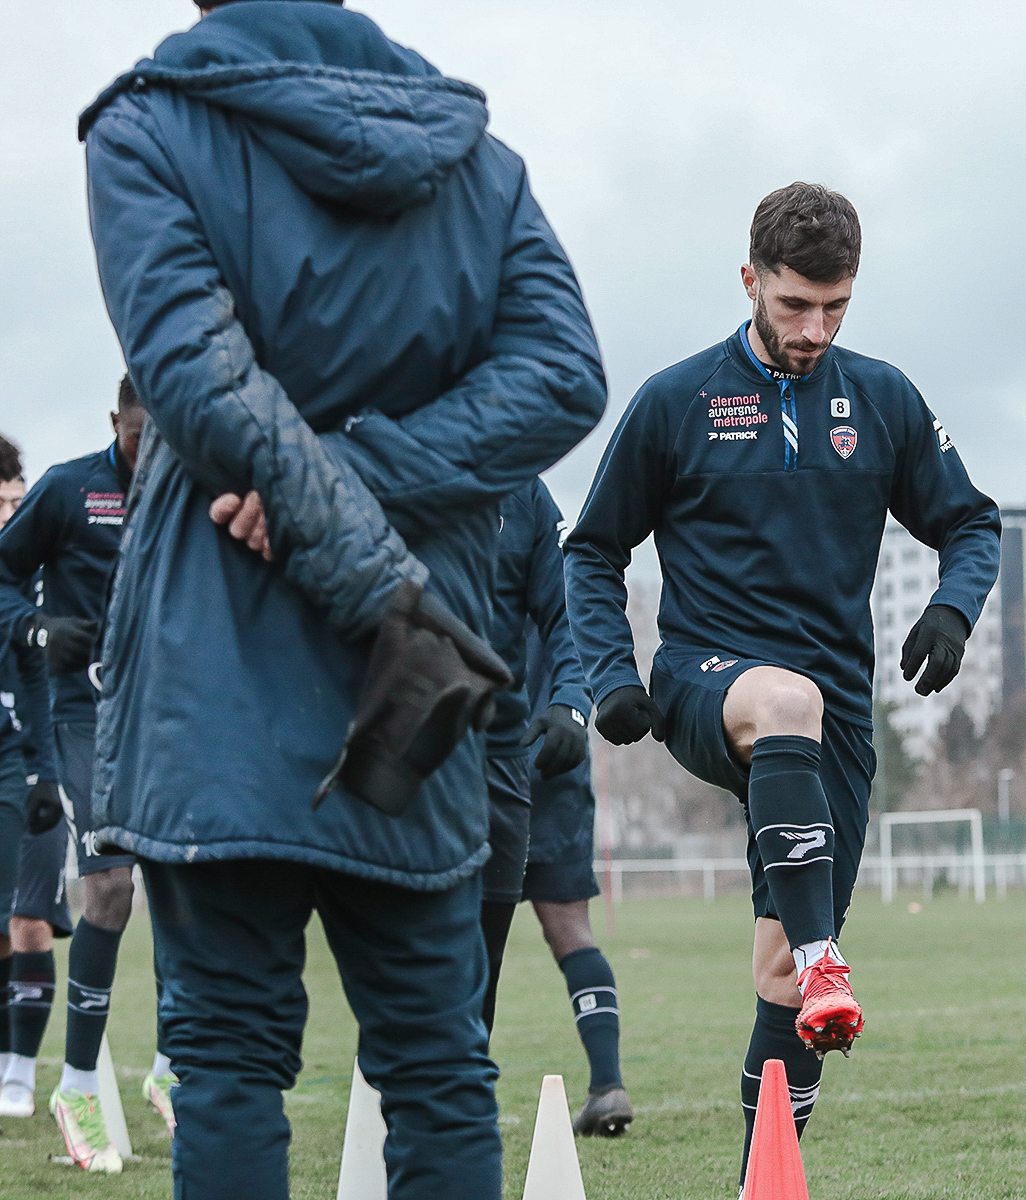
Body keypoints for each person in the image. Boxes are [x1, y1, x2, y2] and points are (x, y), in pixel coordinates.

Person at [78, 0, 605, 1196]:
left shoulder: (147, 130)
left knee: (225, 1058)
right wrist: (368, 497)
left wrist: (322, 487)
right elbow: (558, 373)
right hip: (415, 657)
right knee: (435, 1065)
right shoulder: (478, 163)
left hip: (227, 651)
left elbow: (197, 385)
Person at [564, 182, 1000, 1184]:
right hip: (703, 676)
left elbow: (971, 523)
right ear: (751, 279)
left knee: (780, 983)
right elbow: (590, 551)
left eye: (835, 307)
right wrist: (610, 675)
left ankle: (767, 1172)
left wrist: (952, 608)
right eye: (796, 304)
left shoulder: (881, 397)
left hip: (833, 711)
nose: (814, 328)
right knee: (784, 707)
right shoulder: (676, 401)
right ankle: (823, 960)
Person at [0, 380, 153, 1170]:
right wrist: (32, 624)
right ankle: (80, 1084)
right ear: (114, 424)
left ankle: (174, 1071)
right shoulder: (68, 489)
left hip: (171, 719)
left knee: (202, 886)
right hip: (83, 718)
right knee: (113, 890)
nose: (145, 448)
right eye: (134, 434)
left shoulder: (198, 486)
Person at [477, 477, 631, 1136]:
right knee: (570, 929)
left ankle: (456, 1087)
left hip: (501, 751)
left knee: (460, 932)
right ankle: (608, 1084)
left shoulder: (525, 508)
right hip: (554, 748)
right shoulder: (549, 537)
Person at [0, 433, 72, 1131]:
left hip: (36, 761)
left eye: (17, 503)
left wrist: (47, 770)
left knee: (28, 921)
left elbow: (45, 684)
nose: (12, 515)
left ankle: (19, 1077)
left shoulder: (42, 578)